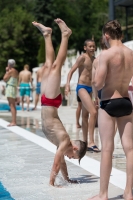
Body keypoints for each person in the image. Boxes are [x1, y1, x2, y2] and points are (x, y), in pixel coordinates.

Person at [32, 18, 87, 187]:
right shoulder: (64, 140)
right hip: (50, 101)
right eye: (73, 157)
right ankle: (65, 35)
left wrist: (67, 179)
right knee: (56, 66)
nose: (70, 158)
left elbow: (61, 162)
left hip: (46, 101)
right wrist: (51, 183)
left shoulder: (62, 145)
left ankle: (47, 35)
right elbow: (57, 162)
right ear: (75, 149)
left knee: (48, 65)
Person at [88, 20, 133, 200]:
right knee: (130, 149)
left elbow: (98, 83)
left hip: (108, 103)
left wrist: (94, 86)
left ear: (106, 35)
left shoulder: (106, 55)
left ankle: (103, 194)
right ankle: (129, 192)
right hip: (125, 102)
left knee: (107, 148)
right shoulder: (131, 53)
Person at [65, 39, 99, 152]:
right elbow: (71, 71)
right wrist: (67, 85)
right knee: (93, 112)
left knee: (85, 116)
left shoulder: (95, 60)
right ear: (85, 47)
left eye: (94, 46)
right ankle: (91, 142)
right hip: (82, 87)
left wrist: (96, 95)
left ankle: (85, 143)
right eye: (90, 46)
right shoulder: (82, 58)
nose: (92, 48)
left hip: (90, 89)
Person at [3, 59, 19, 126]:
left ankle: (13, 122)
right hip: (13, 88)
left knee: (12, 105)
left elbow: (4, 79)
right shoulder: (15, 71)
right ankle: (14, 121)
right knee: (12, 105)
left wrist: (6, 71)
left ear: (9, 64)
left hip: (10, 88)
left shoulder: (11, 71)